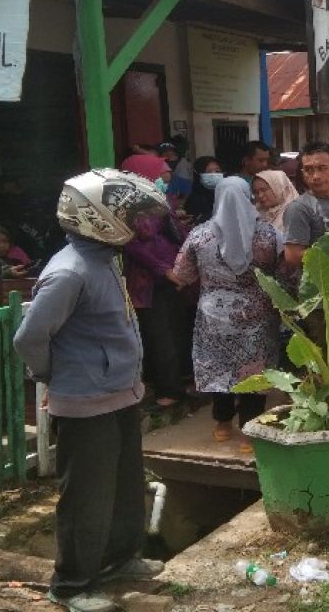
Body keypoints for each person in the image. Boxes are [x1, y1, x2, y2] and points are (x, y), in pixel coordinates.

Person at [13, 170, 170, 612]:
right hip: (85, 402)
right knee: (87, 495)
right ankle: (71, 584)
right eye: (130, 214)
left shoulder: (104, 259)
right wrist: (52, 377)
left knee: (123, 483)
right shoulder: (69, 272)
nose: (138, 222)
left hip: (119, 392)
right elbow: (29, 338)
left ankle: (120, 559)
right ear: (97, 217)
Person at [174, 177, 282, 446]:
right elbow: (284, 273)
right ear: (248, 197)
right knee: (253, 371)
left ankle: (223, 424)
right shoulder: (268, 234)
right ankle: (250, 433)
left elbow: (182, 274)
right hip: (256, 315)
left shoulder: (199, 235)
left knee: (219, 369)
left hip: (214, 317)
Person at [124, 209, 188, 409]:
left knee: (159, 336)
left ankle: (170, 390)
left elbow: (135, 243)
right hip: (171, 277)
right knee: (169, 333)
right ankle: (175, 384)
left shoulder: (135, 214)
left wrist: (164, 269)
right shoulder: (161, 206)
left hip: (149, 284)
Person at [253, 169, 299, 239]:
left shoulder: (296, 214)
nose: (260, 195)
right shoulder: (257, 212)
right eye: (256, 192)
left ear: (279, 188)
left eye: (264, 190)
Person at [183, 157, 222, 225]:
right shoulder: (195, 199)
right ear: (198, 175)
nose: (214, 174)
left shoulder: (224, 194)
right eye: (208, 171)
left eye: (217, 171)